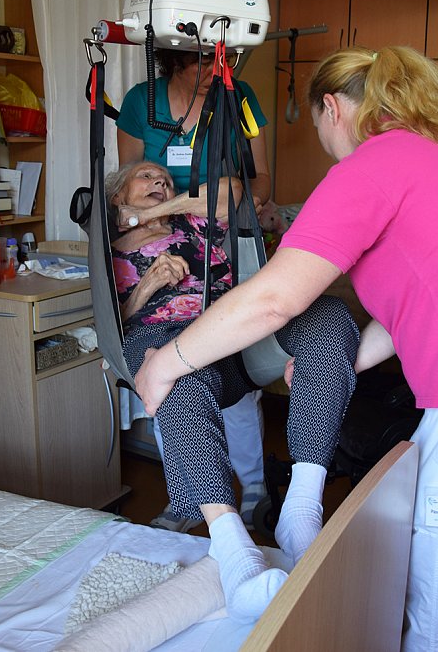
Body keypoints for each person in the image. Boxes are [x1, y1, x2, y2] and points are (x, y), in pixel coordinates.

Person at [133, 46, 438, 649]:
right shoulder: (434, 155)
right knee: (433, 535)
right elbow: (415, 304)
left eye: (317, 124)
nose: (322, 139)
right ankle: (300, 523)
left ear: (331, 108)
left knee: (430, 556)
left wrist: (165, 363)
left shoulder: (372, 167)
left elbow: (274, 299)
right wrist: (343, 362)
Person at [108, 160, 360, 621]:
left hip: (231, 338)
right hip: (160, 336)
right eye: (145, 175)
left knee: (327, 315)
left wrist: (149, 214)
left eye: (165, 177)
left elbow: (233, 191)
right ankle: (233, 552)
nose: (160, 179)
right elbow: (113, 323)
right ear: (116, 197)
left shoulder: (194, 223)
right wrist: (148, 284)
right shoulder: (109, 254)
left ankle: (302, 511)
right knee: (174, 374)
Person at [117, 47, 272, 532]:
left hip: (215, 227)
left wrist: (170, 209)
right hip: (157, 282)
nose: (218, 72)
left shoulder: (238, 96)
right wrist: (144, 240)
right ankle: (191, 500)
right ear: (175, 61)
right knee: (171, 384)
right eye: (204, 62)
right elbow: (126, 183)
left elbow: (247, 184)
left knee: (234, 382)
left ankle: (254, 489)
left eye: (226, 61)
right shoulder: (141, 102)